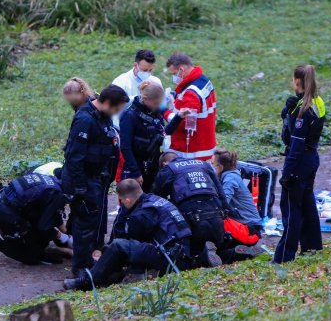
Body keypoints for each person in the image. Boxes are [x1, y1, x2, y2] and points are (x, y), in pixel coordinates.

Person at [63, 179, 193, 291]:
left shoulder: (140, 215)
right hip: (181, 251)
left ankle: (88, 281)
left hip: (172, 259)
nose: (123, 204)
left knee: (119, 246)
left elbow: (129, 245)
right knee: (121, 247)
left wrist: (109, 253)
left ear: (128, 200)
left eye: (122, 201)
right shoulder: (153, 200)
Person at [62, 85, 129, 276]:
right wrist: (80, 188)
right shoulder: (85, 119)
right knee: (84, 224)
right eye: (116, 108)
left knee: (91, 222)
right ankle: (80, 269)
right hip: (83, 180)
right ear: (107, 103)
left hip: (97, 178)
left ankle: (87, 261)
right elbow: (74, 157)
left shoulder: (103, 116)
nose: (116, 113)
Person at [273, 64, 326, 264]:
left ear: (297, 81)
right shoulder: (317, 102)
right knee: (307, 205)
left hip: (299, 162)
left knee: (291, 211)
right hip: (311, 158)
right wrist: (287, 110)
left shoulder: (302, 111)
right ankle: (312, 248)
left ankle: (284, 257)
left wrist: (287, 173)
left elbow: (295, 144)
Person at [0, 172, 69, 265]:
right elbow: (43, 226)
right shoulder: (57, 194)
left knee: (39, 237)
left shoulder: (47, 178)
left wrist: (66, 234)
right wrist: (63, 237)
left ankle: (10, 236)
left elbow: (51, 215)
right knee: (31, 256)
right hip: (5, 212)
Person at [154, 152, 228, 267]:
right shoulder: (204, 164)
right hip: (215, 212)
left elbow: (158, 199)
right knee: (220, 248)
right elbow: (220, 191)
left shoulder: (168, 170)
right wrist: (226, 210)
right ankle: (233, 253)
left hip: (191, 216)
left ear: (164, 163)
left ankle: (203, 256)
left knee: (191, 256)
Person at [210, 148, 263, 263]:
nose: (210, 167)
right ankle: (239, 250)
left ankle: (239, 252)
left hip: (249, 230)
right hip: (246, 226)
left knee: (214, 219)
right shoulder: (229, 176)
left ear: (220, 167)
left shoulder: (230, 179)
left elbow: (222, 203)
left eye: (212, 164)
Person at [163, 52, 217, 161]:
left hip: (191, 151)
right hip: (205, 143)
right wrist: (177, 98)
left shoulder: (191, 94)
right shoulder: (203, 80)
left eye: (174, 73)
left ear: (181, 70)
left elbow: (186, 125)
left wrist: (165, 112)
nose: (174, 77)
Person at [118, 81, 167, 192]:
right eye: (156, 103)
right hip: (135, 166)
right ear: (145, 99)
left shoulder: (155, 111)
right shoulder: (129, 116)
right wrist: (135, 172)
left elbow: (164, 132)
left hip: (153, 165)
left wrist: (179, 117)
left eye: (159, 103)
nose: (158, 106)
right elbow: (125, 147)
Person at [111, 49, 163, 129]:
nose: (147, 73)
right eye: (144, 70)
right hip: (123, 127)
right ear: (135, 65)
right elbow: (113, 105)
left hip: (148, 128)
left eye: (150, 70)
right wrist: (139, 98)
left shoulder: (156, 82)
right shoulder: (121, 82)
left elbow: (159, 107)